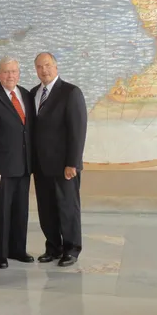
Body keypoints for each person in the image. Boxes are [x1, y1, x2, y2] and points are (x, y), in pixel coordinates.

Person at [0, 56, 35, 269]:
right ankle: (0, 253)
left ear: (19, 73)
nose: (10, 75)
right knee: (1, 210)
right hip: (0, 166)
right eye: (6, 71)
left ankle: (18, 249)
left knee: (21, 210)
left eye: (14, 71)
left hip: (24, 165)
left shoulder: (27, 96)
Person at [31, 52, 88, 267]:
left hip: (65, 165)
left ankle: (71, 249)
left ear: (56, 67)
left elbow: (78, 130)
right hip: (41, 165)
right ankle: (53, 247)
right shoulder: (33, 93)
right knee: (46, 208)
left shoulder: (71, 92)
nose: (43, 70)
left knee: (67, 207)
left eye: (47, 65)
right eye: (39, 67)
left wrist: (72, 162)